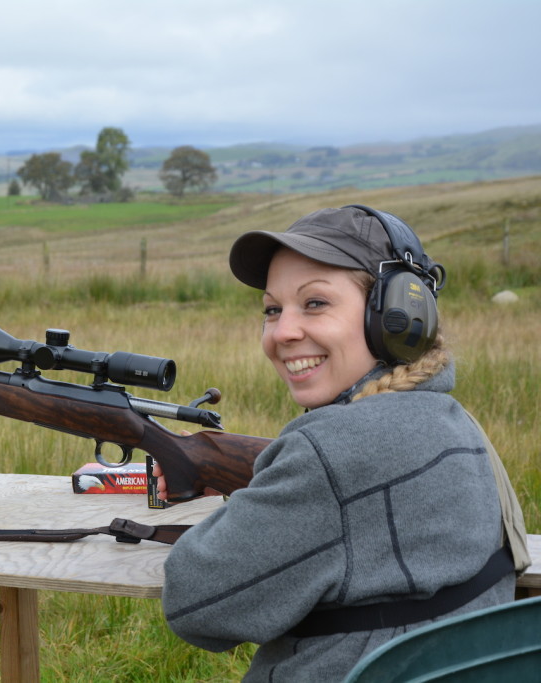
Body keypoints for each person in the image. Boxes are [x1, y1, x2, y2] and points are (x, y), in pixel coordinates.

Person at [154, 205, 523, 682]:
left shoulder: (332, 450)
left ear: (398, 315)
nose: (283, 332)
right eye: (272, 309)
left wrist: (242, 509)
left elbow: (194, 604)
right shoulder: (451, 419)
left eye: (315, 303)